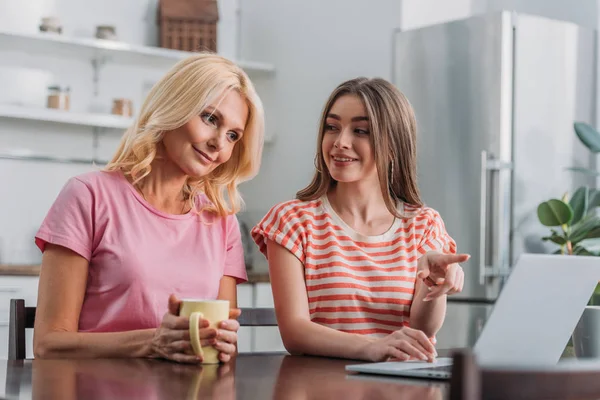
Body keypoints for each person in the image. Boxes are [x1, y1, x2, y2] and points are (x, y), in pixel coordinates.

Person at [33, 53, 264, 363]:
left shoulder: (222, 223)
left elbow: (221, 348)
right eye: (210, 119)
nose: (219, 144)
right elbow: (49, 344)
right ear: (173, 106)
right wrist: (152, 341)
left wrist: (221, 343)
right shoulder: (88, 196)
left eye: (233, 135)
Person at [252, 77, 469, 362]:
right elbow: (295, 333)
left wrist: (433, 285)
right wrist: (372, 347)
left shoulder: (423, 224)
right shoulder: (292, 222)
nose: (341, 142)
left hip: (401, 390)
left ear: (393, 145)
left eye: (361, 131)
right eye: (332, 127)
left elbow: (423, 329)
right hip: (322, 386)